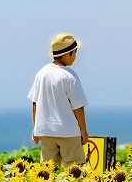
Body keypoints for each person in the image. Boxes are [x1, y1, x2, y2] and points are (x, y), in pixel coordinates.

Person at [27, 33, 89, 167]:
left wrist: (36, 128)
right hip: (68, 131)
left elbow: (35, 103)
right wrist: (83, 130)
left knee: (47, 174)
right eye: (75, 53)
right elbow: (78, 106)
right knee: (76, 171)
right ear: (67, 54)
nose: (76, 57)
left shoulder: (41, 73)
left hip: (46, 131)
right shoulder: (70, 75)